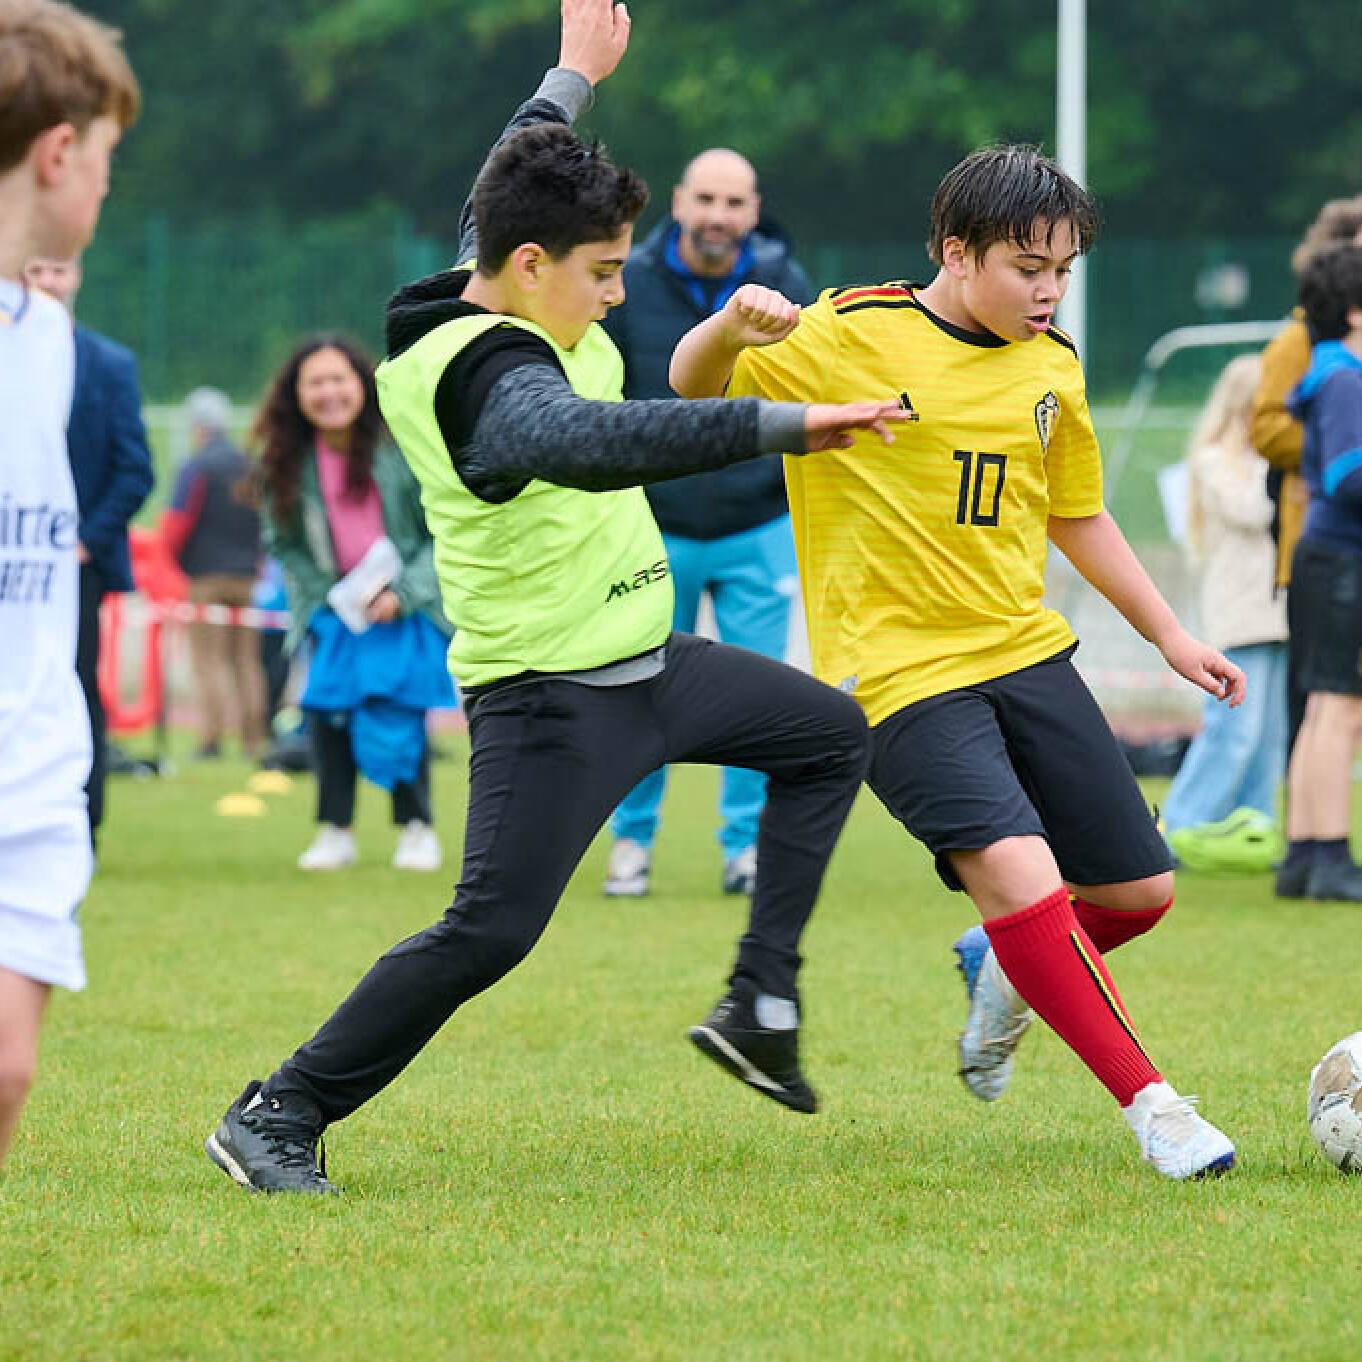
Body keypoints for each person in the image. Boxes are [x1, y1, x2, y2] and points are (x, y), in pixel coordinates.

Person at [204, 0, 902, 1195]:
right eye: (604, 274)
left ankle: (761, 1004)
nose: (619, 295)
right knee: (491, 932)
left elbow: (509, 166)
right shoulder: (481, 379)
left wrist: (573, 72)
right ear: (531, 267)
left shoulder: (492, 265)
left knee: (829, 734)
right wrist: (784, 422)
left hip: (653, 660)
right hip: (550, 698)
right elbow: (589, 439)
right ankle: (279, 1110)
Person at [671, 145, 1245, 1180]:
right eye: (1028, 267)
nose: (1049, 290)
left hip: (1025, 652)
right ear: (955, 252)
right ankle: (1156, 1108)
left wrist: (1173, 635)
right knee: (1021, 874)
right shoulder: (852, 330)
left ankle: (1004, 963)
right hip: (896, 676)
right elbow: (689, 385)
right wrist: (728, 328)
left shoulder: (1052, 364)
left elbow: (1076, 514)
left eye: (1062, 268)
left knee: (1139, 892)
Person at [0, 0, 139, 1172]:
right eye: (102, 158)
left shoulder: (48, 341)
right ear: (57, 153)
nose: (103, 185)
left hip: (31, 778)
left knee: (6, 1070)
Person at [599, 148, 812, 898]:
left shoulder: (789, 288)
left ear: (754, 212)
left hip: (759, 524)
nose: (719, 216)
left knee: (759, 698)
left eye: (734, 202)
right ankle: (631, 842)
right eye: (707, 199)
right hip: (654, 523)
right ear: (680, 201)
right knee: (637, 688)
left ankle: (745, 849)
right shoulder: (627, 282)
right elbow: (602, 395)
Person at [252, 335, 453, 873]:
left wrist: (401, 594)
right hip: (335, 614)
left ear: (361, 384)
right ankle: (335, 830)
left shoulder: (401, 446)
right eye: (315, 383)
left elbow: (440, 530)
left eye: (338, 379)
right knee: (326, 713)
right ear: (297, 394)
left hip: (401, 610)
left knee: (401, 714)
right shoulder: (287, 461)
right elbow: (284, 543)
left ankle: (417, 828)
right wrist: (326, 596)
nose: (329, 393)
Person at [22, 252, 153, 845]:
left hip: (78, 567)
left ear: (76, 276)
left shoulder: (109, 363)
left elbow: (135, 470)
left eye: (59, 269)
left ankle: (82, 823)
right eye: (37, 270)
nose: (49, 281)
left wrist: (83, 541)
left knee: (74, 686)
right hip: (13, 557)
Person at [1160, 354, 1288, 871]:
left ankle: (1255, 825)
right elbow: (1256, 510)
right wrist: (1285, 465)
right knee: (1232, 732)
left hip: (1278, 617)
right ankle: (1180, 825)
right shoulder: (1216, 461)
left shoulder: (1261, 463)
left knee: (1270, 735)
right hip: (1239, 619)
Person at [1251, 197, 1362, 768]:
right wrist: (1328, 450)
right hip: (1326, 539)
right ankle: (1309, 822)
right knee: (1323, 703)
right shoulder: (1302, 342)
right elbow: (1267, 426)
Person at [1275, 244, 1362, 902]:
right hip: (1341, 563)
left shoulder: (1330, 371)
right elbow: (1348, 477)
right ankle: (1329, 855)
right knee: (1340, 709)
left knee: (1323, 709)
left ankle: (1305, 855)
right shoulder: (1346, 379)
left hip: (1325, 559)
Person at [160, 386, 267, 760]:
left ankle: (211, 738)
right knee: (246, 662)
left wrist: (173, 561)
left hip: (206, 577)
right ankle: (254, 740)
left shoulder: (196, 467)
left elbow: (177, 521)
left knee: (209, 660)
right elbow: (266, 520)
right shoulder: (249, 465)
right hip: (246, 576)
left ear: (198, 426)